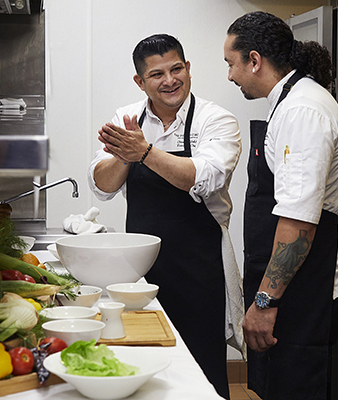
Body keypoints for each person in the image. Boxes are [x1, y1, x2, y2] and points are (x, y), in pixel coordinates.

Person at [88, 34, 243, 400]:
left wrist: (143, 151)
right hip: (139, 272)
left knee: (202, 367)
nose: (170, 80)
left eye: (177, 69)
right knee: (142, 361)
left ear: (188, 68)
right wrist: (125, 155)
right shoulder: (127, 119)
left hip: (198, 268)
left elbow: (205, 178)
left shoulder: (215, 119)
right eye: (157, 74)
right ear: (140, 82)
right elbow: (101, 185)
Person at [224, 11, 338, 400]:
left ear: (254, 60)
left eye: (231, 64)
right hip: (298, 278)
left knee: (297, 387)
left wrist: (265, 302)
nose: (230, 76)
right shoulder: (289, 102)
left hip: (310, 281)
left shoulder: (302, 112)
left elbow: (300, 225)